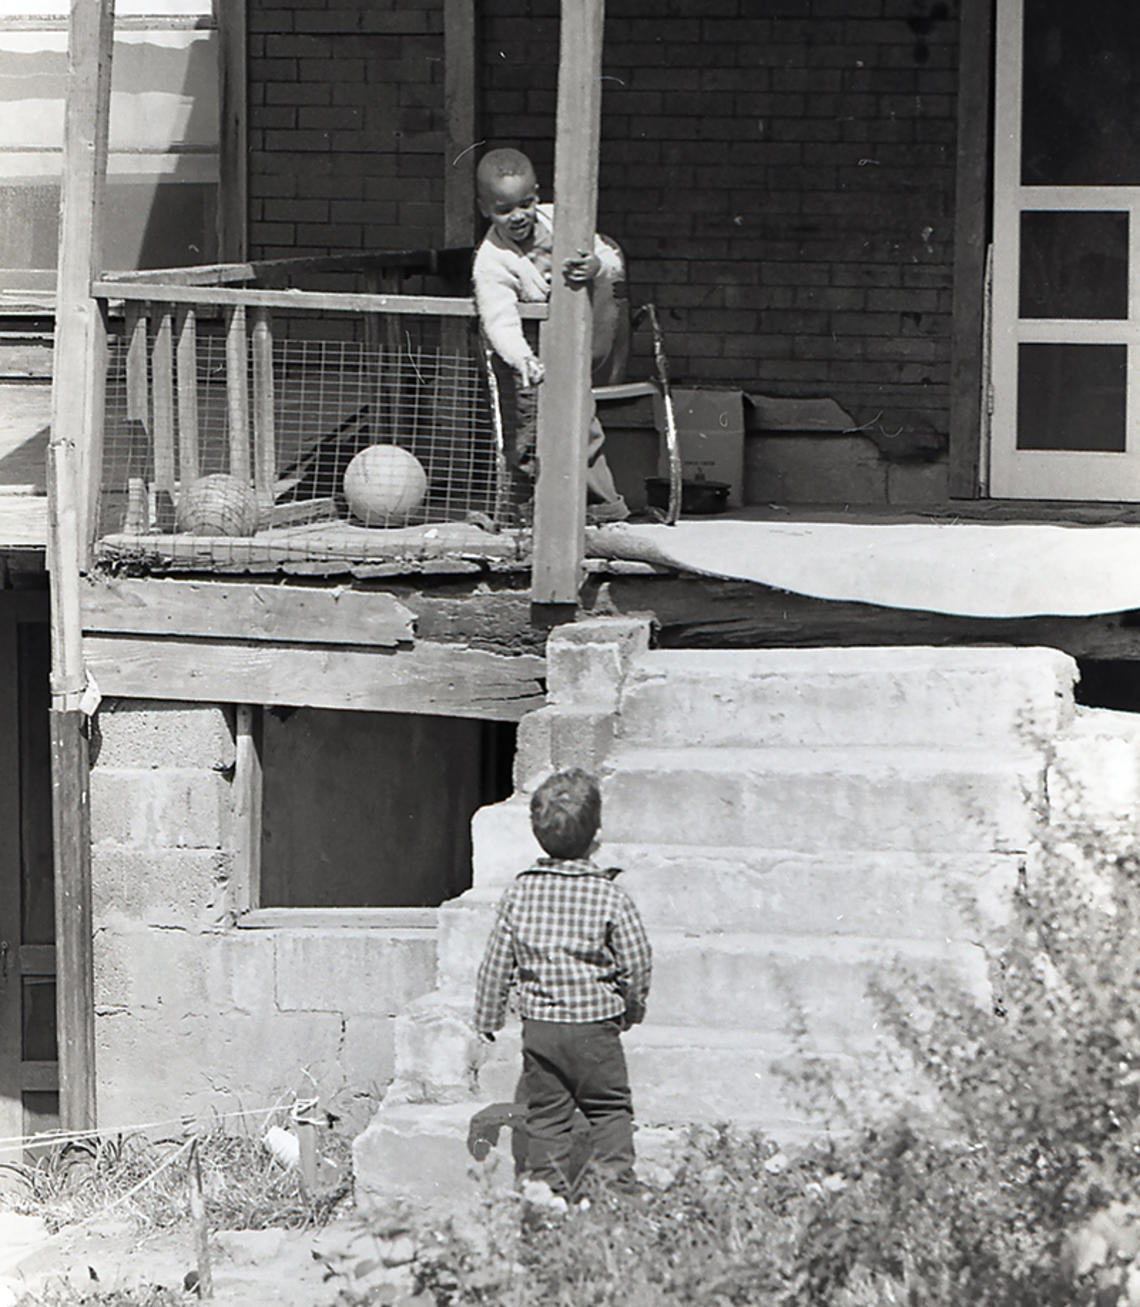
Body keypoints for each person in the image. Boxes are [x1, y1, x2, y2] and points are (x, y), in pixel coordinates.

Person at [473, 767, 652, 1207]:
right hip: (596, 1029)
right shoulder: (611, 896)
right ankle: (615, 1197)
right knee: (608, 1109)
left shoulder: (520, 893)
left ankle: (544, 1203)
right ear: (596, 837)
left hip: (543, 1032)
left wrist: (488, 1017)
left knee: (548, 1119)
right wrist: (631, 1007)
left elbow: (496, 961)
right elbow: (637, 961)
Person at [471, 147, 631, 523]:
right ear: (484, 209)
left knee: (582, 422)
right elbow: (499, 320)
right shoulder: (491, 260)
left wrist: (594, 266)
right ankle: (527, 513)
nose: (518, 217)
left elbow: (610, 259)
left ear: (537, 194)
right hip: (528, 354)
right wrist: (521, 358)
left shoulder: (563, 220)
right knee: (530, 429)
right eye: (504, 210)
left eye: (525, 204)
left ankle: (602, 508)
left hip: (577, 343)